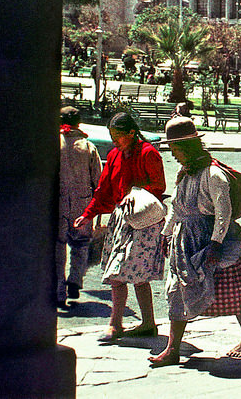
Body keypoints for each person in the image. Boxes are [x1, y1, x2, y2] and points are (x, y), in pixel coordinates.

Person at [148, 117, 241, 367]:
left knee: (235, 292)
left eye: (176, 149)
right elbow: (177, 206)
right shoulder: (185, 174)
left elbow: (223, 211)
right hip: (186, 241)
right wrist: (166, 234)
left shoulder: (213, 175)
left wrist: (216, 244)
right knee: (178, 291)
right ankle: (172, 348)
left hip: (213, 240)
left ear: (188, 147)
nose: (173, 155)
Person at [74, 112, 167, 341]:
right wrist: (88, 214)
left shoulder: (148, 153)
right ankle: (116, 324)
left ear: (131, 133)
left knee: (138, 274)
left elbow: (159, 185)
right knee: (116, 273)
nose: (114, 140)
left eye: (118, 135)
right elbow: (104, 189)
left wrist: (136, 193)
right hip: (120, 220)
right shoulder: (115, 155)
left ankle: (147, 323)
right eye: (111, 135)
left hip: (143, 221)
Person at [57, 106, 102, 307]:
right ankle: (75, 280)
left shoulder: (53, 143)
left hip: (57, 202)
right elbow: (98, 179)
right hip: (83, 203)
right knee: (81, 245)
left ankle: (58, 290)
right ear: (78, 123)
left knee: (58, 247)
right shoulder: (88, 146)